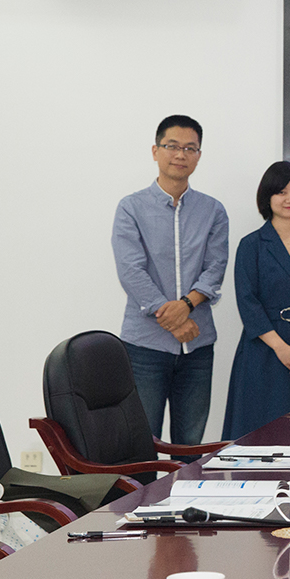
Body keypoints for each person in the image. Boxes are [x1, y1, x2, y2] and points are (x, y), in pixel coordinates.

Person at [112, 114, 229, 446]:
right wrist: (172, 318)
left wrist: (186, 305)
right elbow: (131, 270)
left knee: (189, 445)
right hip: (144, 346)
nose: (181, 155)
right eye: (172, 146)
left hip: (198, 345)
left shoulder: (213, 211)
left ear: (199, 156)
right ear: (155, 151)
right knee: (142, 442)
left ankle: (187, 485)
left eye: (190, 148)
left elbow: (216, 267)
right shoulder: (131, 208)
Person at [221, 161, 290, 440]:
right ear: (267, 197)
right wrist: (280, 347)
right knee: (258, 438)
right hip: (263, 353)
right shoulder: (251, 245)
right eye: (281, 192)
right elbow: (247, 301)